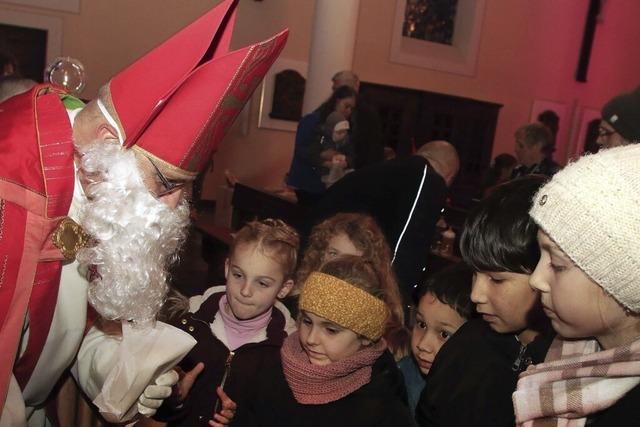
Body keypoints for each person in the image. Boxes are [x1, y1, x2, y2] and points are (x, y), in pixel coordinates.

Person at [0, 0, 289, 424]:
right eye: (167, 183)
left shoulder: (103, 185)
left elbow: (76, 327)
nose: (175, 206)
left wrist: (119, 373)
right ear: (105, 140)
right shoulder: (12, 189)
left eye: (186, 188)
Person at [513, 145, 640, 426]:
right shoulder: (550, 353)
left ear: (625, 281)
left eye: (557, 264)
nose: (535, 279)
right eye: (539, 255)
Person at [415, 176, 554, 427]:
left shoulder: (566, 365)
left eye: (496, 279)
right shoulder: (467, 345)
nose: (475, 295)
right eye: (474, 273)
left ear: (547, 271)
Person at [233, 255, 416, 427]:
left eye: (330, 330)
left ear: (366, 337)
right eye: (307, 321)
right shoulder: (272, 370)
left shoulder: (382, 405)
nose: (311, 339)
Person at [152, 219, 298, 426]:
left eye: (262, 283)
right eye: (238, 275)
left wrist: (237, 421)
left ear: (284, 288)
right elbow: (160, 413)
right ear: (227, 268)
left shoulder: (284, 352)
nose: (246, 291)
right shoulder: (188, 326)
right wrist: (174, 398)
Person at [311, 140, 460, 310]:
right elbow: (409, 246)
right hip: (340, 271)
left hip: (319, 260)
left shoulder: (389, 169)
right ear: (449, 177)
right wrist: (394, 308)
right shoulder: (427, 177)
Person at [291, 212, 408, 359]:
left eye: (352, 261)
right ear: (319, 253)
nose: (339, 265)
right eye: (333, 254)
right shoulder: (294, 300)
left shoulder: (381, 325)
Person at [397, 262, 475, 417]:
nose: (423, 345)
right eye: (421, 324)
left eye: (444, 334)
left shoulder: (475, 400)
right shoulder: (400, 376)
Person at [286, 85, 357, 205]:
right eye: (346, 106)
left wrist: (346, 161)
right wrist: (324, 159)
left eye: (351, 108)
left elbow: (350, 152)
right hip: (308, 181)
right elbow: (301, 150)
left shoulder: (345, 125)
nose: (348, 111)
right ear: (337, 101)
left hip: (330, 183)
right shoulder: (312, 120)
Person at [331, 70, 385, 169]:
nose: (334, 94)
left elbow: (366, 149)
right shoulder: (335, 110)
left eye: (337, 90)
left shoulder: (365, 114)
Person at [315, 111, 353, 188]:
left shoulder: (347, 141)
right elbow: (312, 155)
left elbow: (353, 157)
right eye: (339, 132)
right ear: (330, 130)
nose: (343, 135)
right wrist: (324, 162)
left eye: (344, 132)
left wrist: (346, 161)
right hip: (323, 177)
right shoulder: (322, 139)